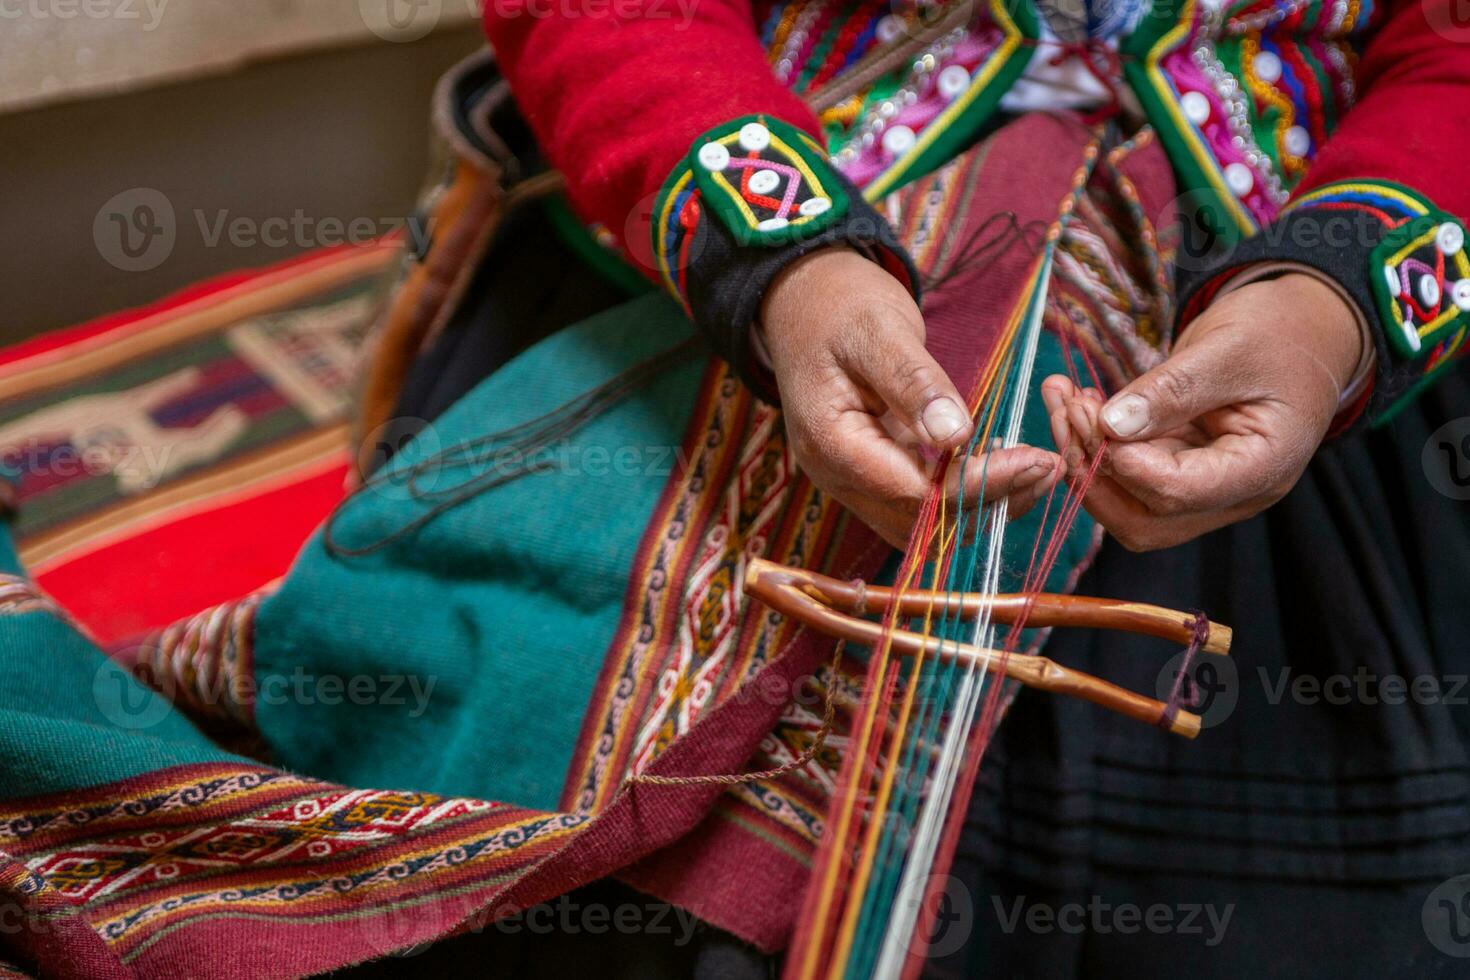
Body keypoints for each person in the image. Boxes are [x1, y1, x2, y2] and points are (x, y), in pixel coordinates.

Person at [1, 2, 1467, 977]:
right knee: (546, 743)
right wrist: (781, 262)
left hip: (1315, 245)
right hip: (750, 193)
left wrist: (1327, 310)